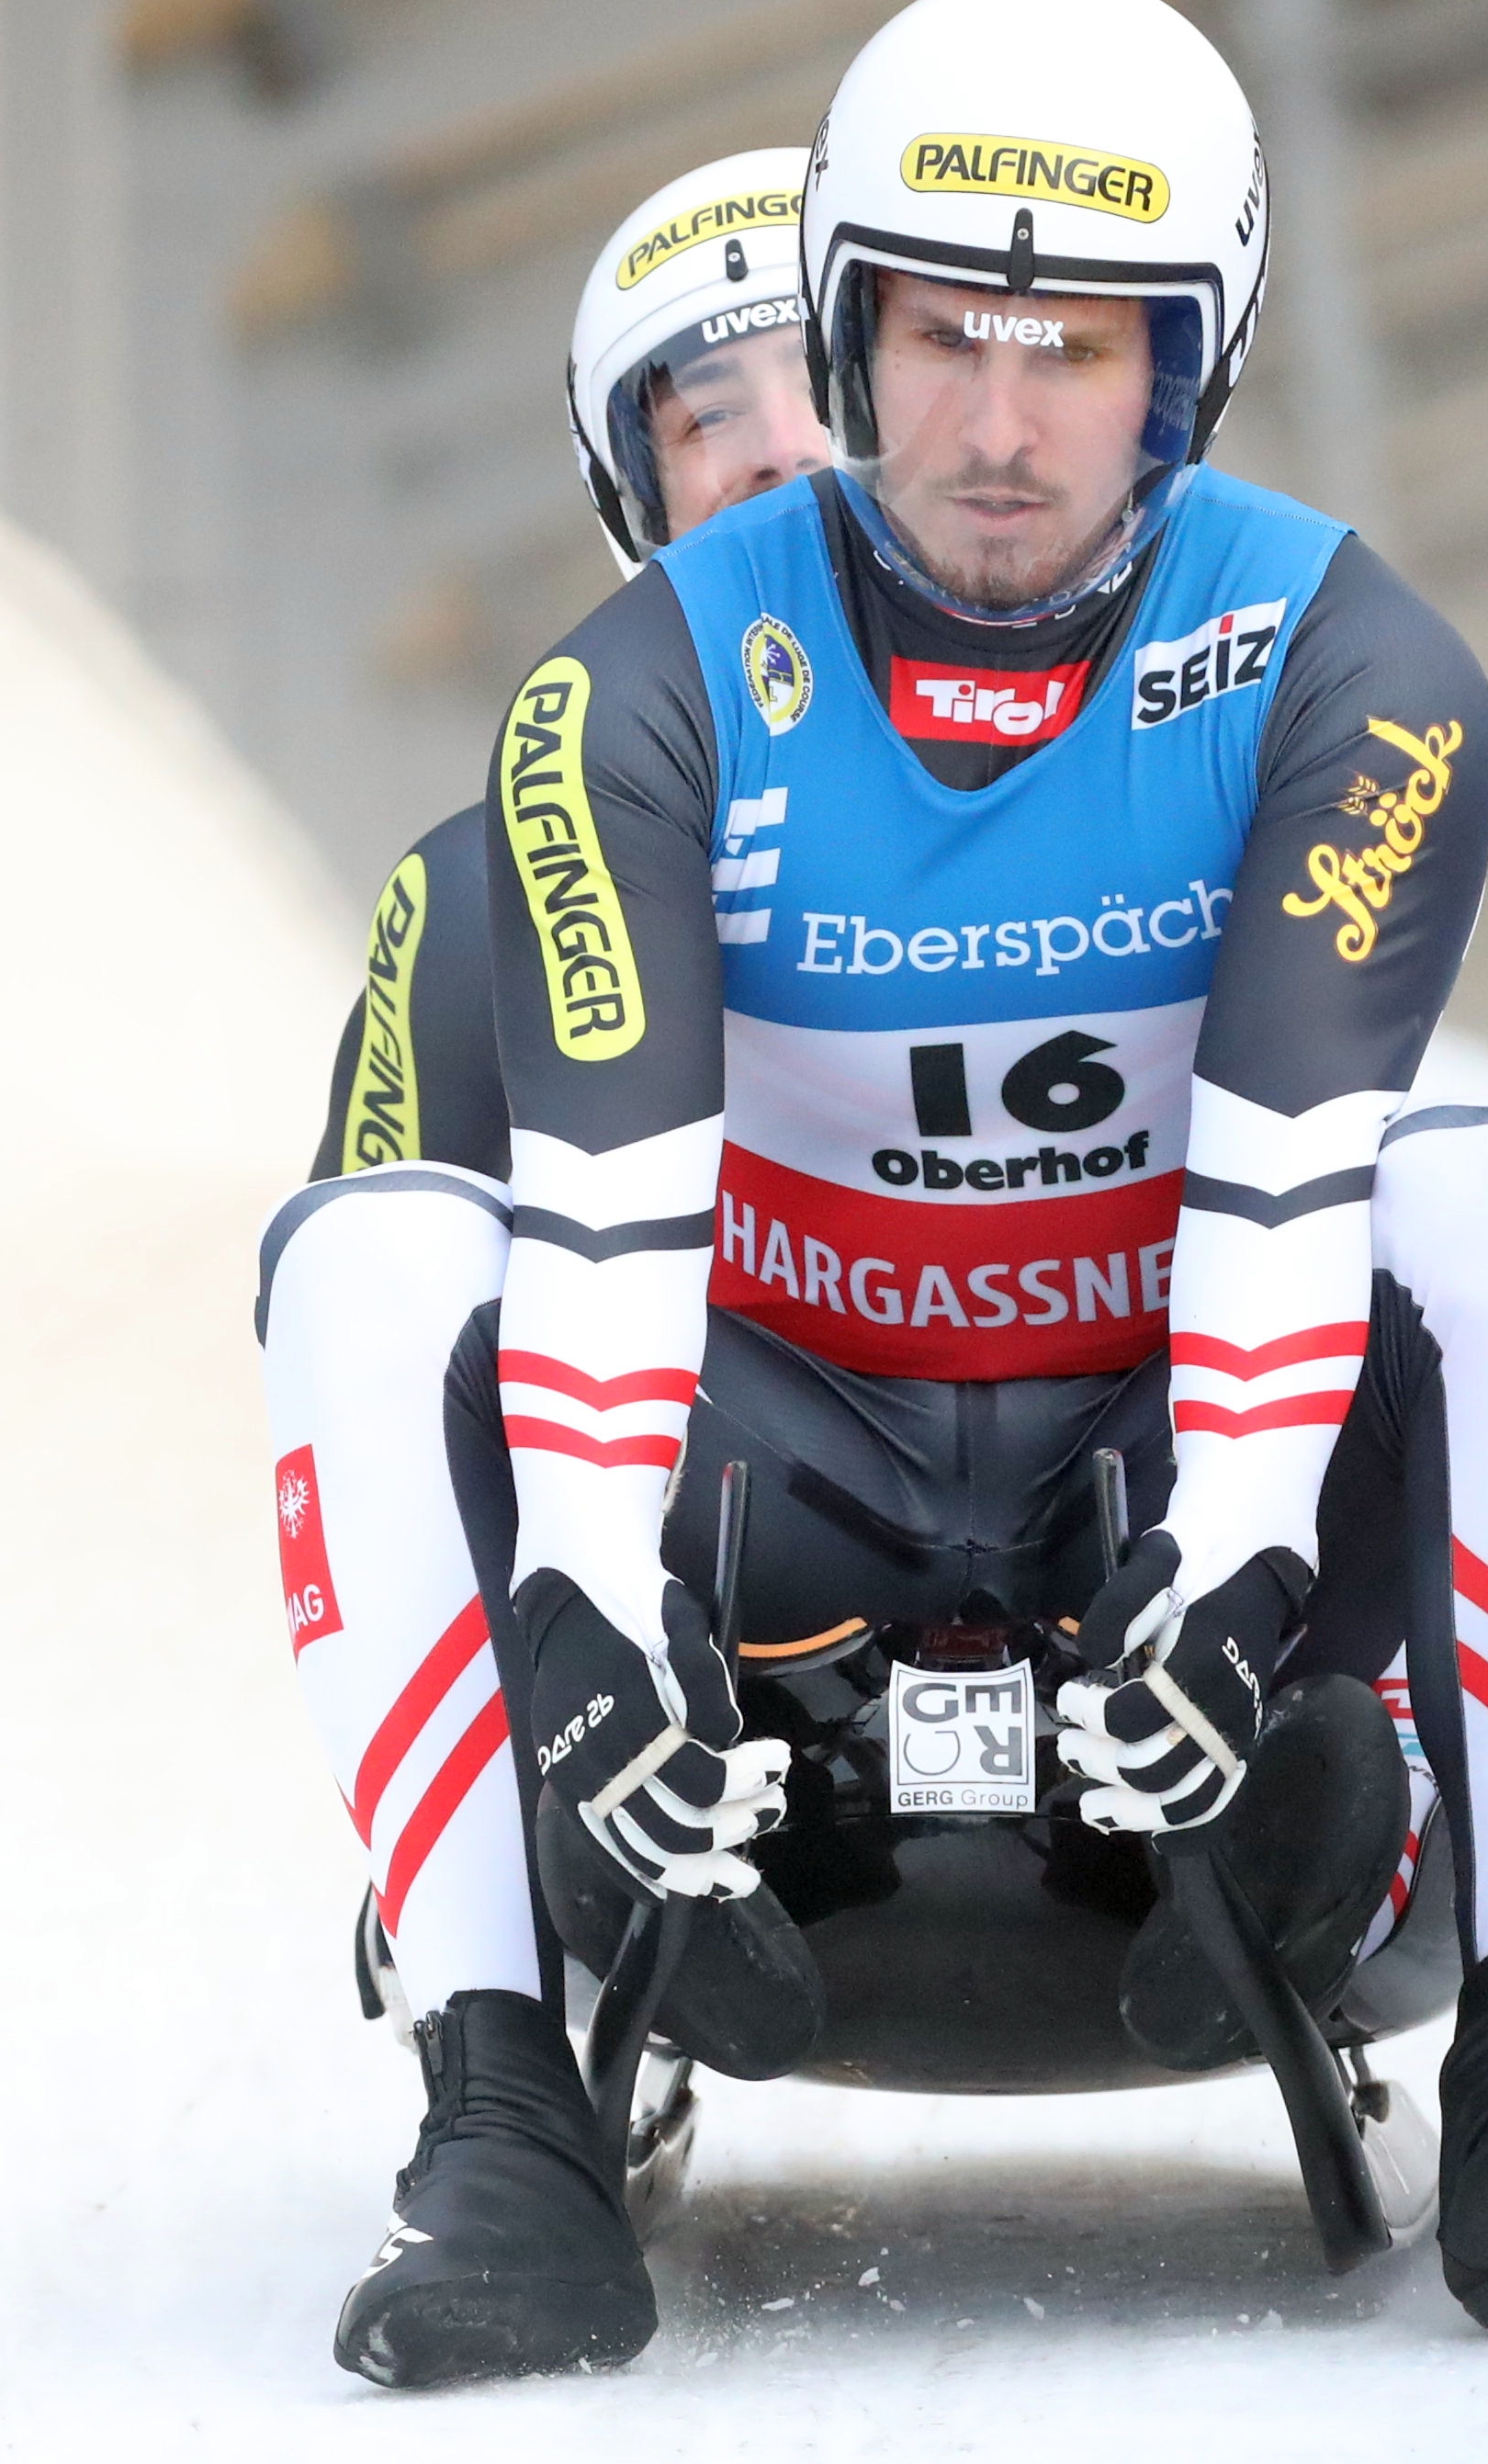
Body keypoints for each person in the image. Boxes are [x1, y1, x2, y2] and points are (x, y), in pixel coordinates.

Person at [263, 0, 1488, 2386]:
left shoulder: (1354, 665)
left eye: (1079, 355)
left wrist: (1237, 1565)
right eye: (936, 342)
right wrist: (586, 1591)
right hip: (782, 1461)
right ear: (851, 330)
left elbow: (1295, 1168)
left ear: (1186, 371)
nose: (999, 431)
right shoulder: (627, 692)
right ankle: (496, 2107)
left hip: (1169, 1436)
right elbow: (594, 1203)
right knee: (375, 1254)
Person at [259, 146, 827, 2383]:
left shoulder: (1175, 768)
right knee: (367, 1244)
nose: (781, 449)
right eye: (712, 419)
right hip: (702, 1605)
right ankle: (504, 2066)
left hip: (1092, 1546)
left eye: (822, 390)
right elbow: (367, 1307)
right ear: (643, 503)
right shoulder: (495, 874)